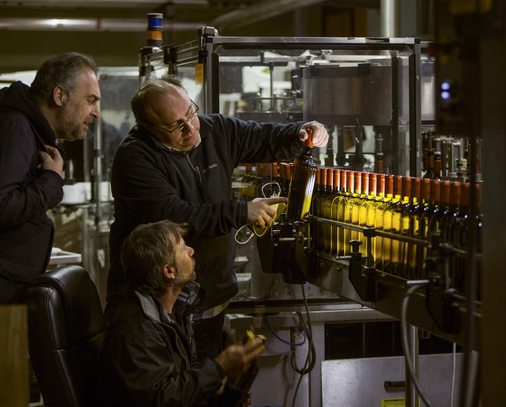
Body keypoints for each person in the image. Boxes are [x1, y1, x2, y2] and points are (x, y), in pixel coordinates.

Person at [106, 75, 328, 362]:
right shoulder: (135, 157)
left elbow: (266, 138)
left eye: (190, 113)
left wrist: (302, 132)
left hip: (209, 301)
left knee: (205, 389)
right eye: (175, 126)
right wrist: (242, 211)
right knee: (164, 394)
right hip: (156, 309)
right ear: (148, 127)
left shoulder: (215, 129)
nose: (190, 128)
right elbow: (178, 218)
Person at [101, 220, 265, 406]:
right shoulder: (136, 329)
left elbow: (181, 385)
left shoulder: (174, 311)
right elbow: (162, 400)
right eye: (183, 248)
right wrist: (220, 368)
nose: (191, 251)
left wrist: (221, 397)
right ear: (169, 271)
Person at [0, 52, 101, 303]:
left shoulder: (29, 129)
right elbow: (2, 206)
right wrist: (51, 183)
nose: (96, 112)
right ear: (59, 96)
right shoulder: (17, 127)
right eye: (90, 100)